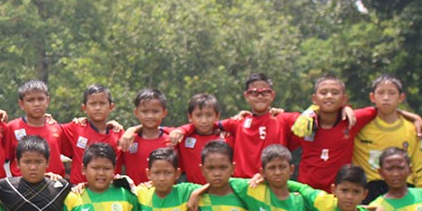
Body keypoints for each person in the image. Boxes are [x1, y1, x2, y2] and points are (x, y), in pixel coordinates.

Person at [171, 72, 299, 178]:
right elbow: (207, 124)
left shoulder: (283, 119)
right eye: (254, 92)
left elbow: (308, 120)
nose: (260, 96)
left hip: (272, 184)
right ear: (246, 96)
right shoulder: (238, 122)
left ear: (272, 95)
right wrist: (182, 130)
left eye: (265, 92)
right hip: (241, 187)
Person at [353, 75, 422, 202]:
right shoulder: (360, 126)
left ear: (401, 98)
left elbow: (419, 164)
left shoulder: (412, 129)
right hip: (369, 191)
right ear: (372, 97)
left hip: (404, 190)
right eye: (381, 93)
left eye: (392, 93)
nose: (386, 98)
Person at [58, 85, 123, 183]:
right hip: (79, 190)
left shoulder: (119, 133)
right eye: (92, 104)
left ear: (111, 107)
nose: (97, 108)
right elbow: (49, 130)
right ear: (84, 107)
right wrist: (45, 118)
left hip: (109, 191)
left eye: (102, 103)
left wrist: (133, 129)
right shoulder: (76, 127)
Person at [3, 80, 66, 178]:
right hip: (21, 186)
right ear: (21, 104)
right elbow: (3, 158)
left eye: (41, 99)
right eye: (30, 100)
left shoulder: (57, 128)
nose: (36, 103)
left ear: (47, 101)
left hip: (54, 185)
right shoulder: (12, 127)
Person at [116, 88, 171, 185]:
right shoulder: (128, 139)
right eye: (145, 111)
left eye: (155, 111)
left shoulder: (171, 140)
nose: (150, 116)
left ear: (164, 113)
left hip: (165, 197)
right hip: (134, 197)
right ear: (136, 113)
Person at [175, 93, 233, 185]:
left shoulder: (227, 138)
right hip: (194, 191)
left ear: (217, 116)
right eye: (199, 115)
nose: (204, 120)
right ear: (190, 117)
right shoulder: (182, 138)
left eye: (209, 115)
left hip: (222, 192)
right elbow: (161, 131)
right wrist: (182, 130)